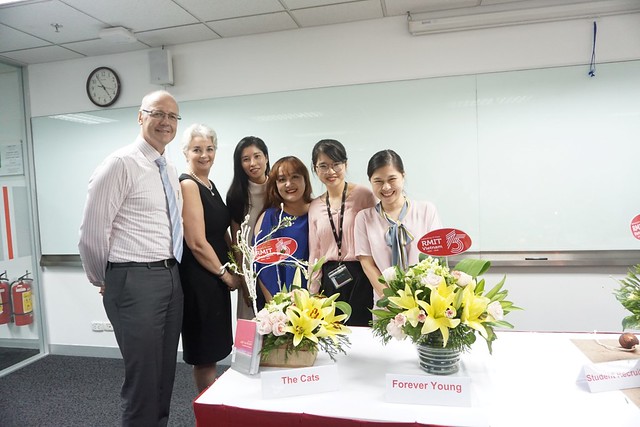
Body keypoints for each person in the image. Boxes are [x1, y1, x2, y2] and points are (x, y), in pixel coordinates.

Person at [78, 90, 184, 426]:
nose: (165, 122)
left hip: (170, 276)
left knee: (165, 374)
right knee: (142, 381)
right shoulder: (120, 164)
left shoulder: (168, 169)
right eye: (157, 113)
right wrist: (104, 278)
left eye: (172, 116)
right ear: (140, 116)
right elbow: (92, 233)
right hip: (135, 279)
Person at [179, 123, 239, 393]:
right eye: (197, 149)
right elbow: (196, 242)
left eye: (209, 149)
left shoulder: (210, 184)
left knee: (214, 349)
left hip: (215, 277)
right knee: (204, 355)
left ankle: (211, 407)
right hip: (200, 278)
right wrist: (224, 274)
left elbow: (219, 232)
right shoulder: (188, 184)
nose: (204, 155)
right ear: (185, 152)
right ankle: (205, 412)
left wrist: (236, 267)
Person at [355, 149, 442, 304]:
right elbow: (367, 264)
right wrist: (391, 300)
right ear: (370, 182)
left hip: (425, 302)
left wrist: (420, 299)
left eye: (392, 179)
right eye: (378, 181)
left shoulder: (426, 211)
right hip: (386, 305)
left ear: (403, 176)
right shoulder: (364, 218)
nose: (386, 187)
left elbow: (436, 260)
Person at [308, 139, 376, 326]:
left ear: (345, 164)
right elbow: (315, 253)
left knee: (362, 332)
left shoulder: (364, 195)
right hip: (330, 278)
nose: (331, 171)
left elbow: (376, 238)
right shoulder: (314, 206)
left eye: (336, 164)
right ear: (315, 169)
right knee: (333, 334)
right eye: (323, 166)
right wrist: (313, 292)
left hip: (361, 273)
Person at [254, 156, 312, 309]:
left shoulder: (319, 211)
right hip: (282, 305)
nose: (289, 184)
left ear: (305, 180)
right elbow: (263, 269)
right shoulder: (270, 218)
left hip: (319, 300)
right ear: (275, 185)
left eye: (295, 177)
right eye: (281, 179)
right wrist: (277, 308)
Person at [226, 137, 270, 319]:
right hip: (251, 271)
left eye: (257, 156)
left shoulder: (280, 187)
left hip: (278, 266)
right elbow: (237, 243)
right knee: (251, 328)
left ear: (266, 158)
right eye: (245, 159)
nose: (253, 163)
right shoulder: (237, 195)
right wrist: (244, 280)